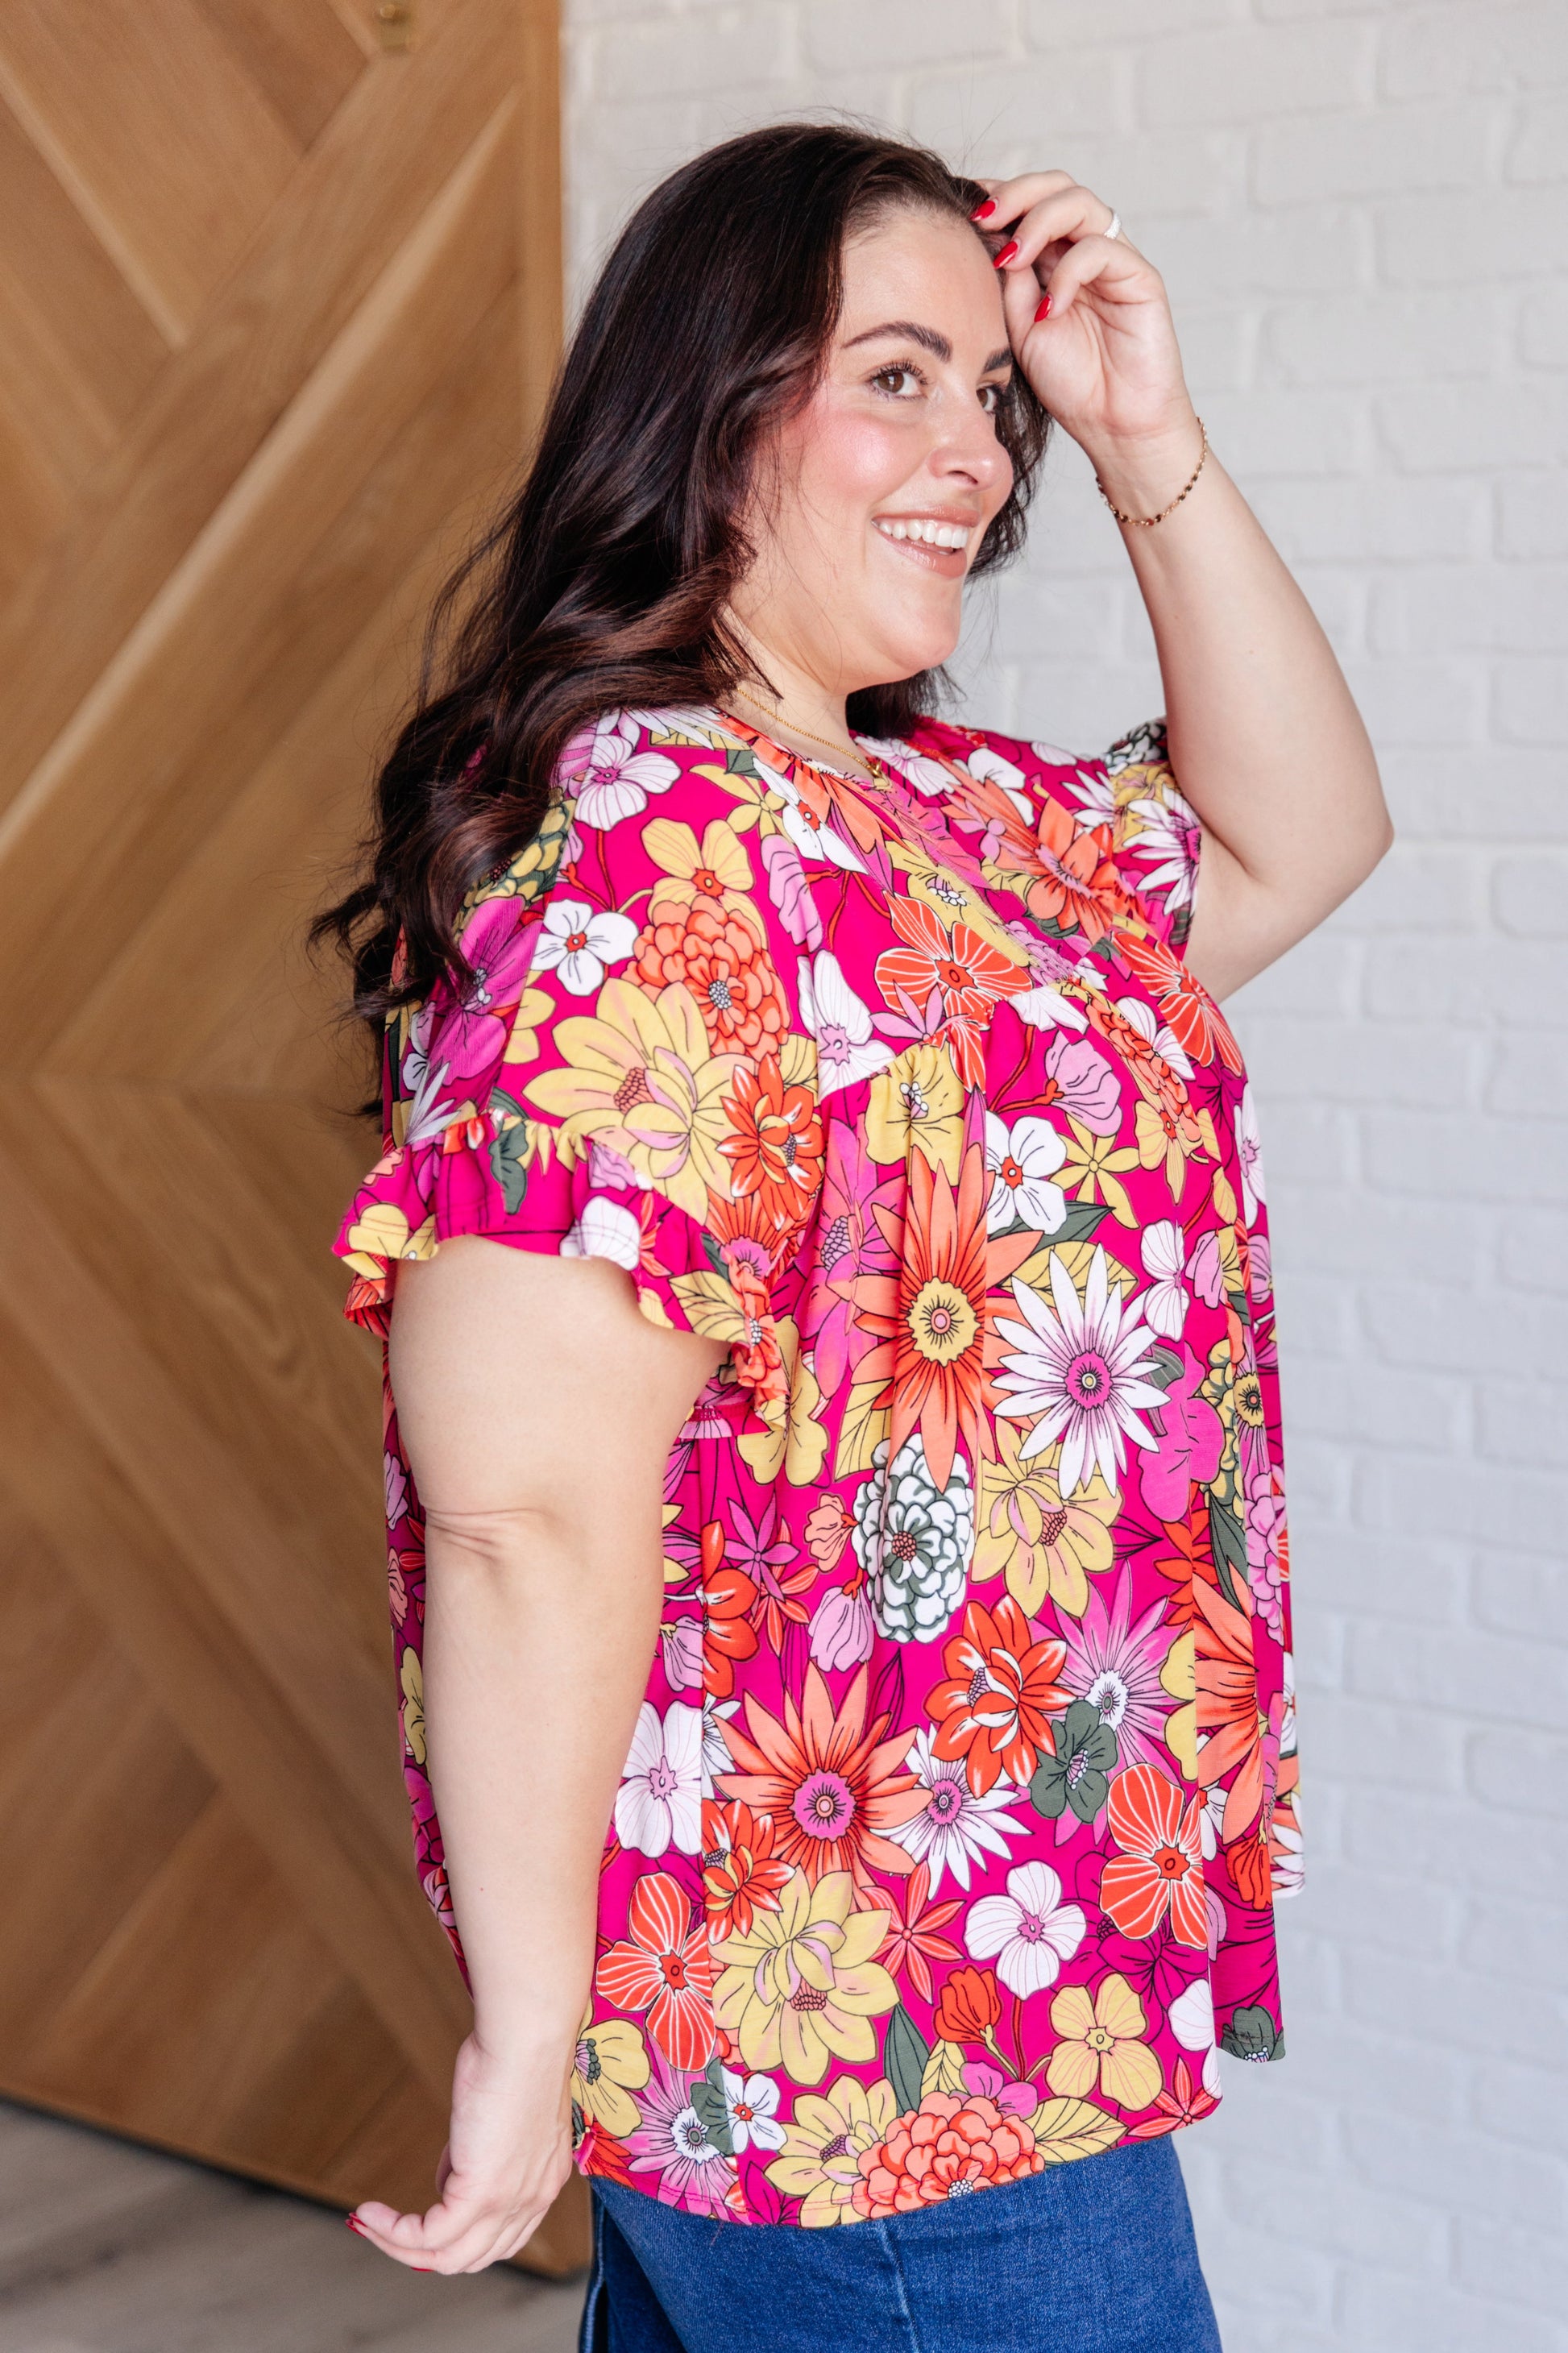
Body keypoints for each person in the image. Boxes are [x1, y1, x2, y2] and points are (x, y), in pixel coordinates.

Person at [319, 124, 1389, 2352]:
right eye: (894, 375)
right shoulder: (650, 855)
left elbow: (1303, 832)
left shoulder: (947, 816)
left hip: (1004, 1960)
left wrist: (1145, 443)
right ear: (706, 409)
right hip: (850, 2016)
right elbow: (523, 1501)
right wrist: (530, 2025)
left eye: (986, 395)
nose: (974, 457)